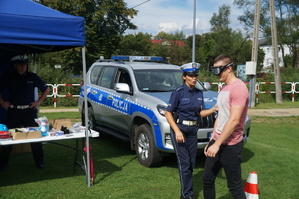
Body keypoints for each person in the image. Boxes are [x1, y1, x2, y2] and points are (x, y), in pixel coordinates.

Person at [165, 62, 217, 199]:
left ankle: (186, 194)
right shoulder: (178, 93)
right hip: (180, 129)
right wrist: (177, 131)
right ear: (184, 77)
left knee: (191, 164)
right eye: (191, 75)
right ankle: (187, 195)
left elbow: (201, 113)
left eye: (196, 75)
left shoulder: (199, 93)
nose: (194, 78)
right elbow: (168, 113)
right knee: (185, 164)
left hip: (193, 130)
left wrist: (213, 109)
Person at [202, 54, 249, 199]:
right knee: (207, 179)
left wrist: (217, 144)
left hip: (231, 145)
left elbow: (234, 120)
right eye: (214, 71)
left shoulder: (239, 89)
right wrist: (212, 139)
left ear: (228, 68)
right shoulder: (224, 89)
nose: (216, 75)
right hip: (217, 141)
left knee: (234, 186)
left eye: (218, 70)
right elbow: (221, 117)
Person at [0, 55, 50, 171]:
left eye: (25, 64)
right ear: (15, 65)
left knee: (35, 138)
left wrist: (38, 102)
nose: (23, 67)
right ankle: (2, 164)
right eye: (20, 64)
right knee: (8, 138)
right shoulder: (9, 77)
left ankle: (40, 162)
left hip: (29, 111)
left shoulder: (32, 77)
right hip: (13, 111)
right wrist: (2, 102)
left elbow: (46, 89)